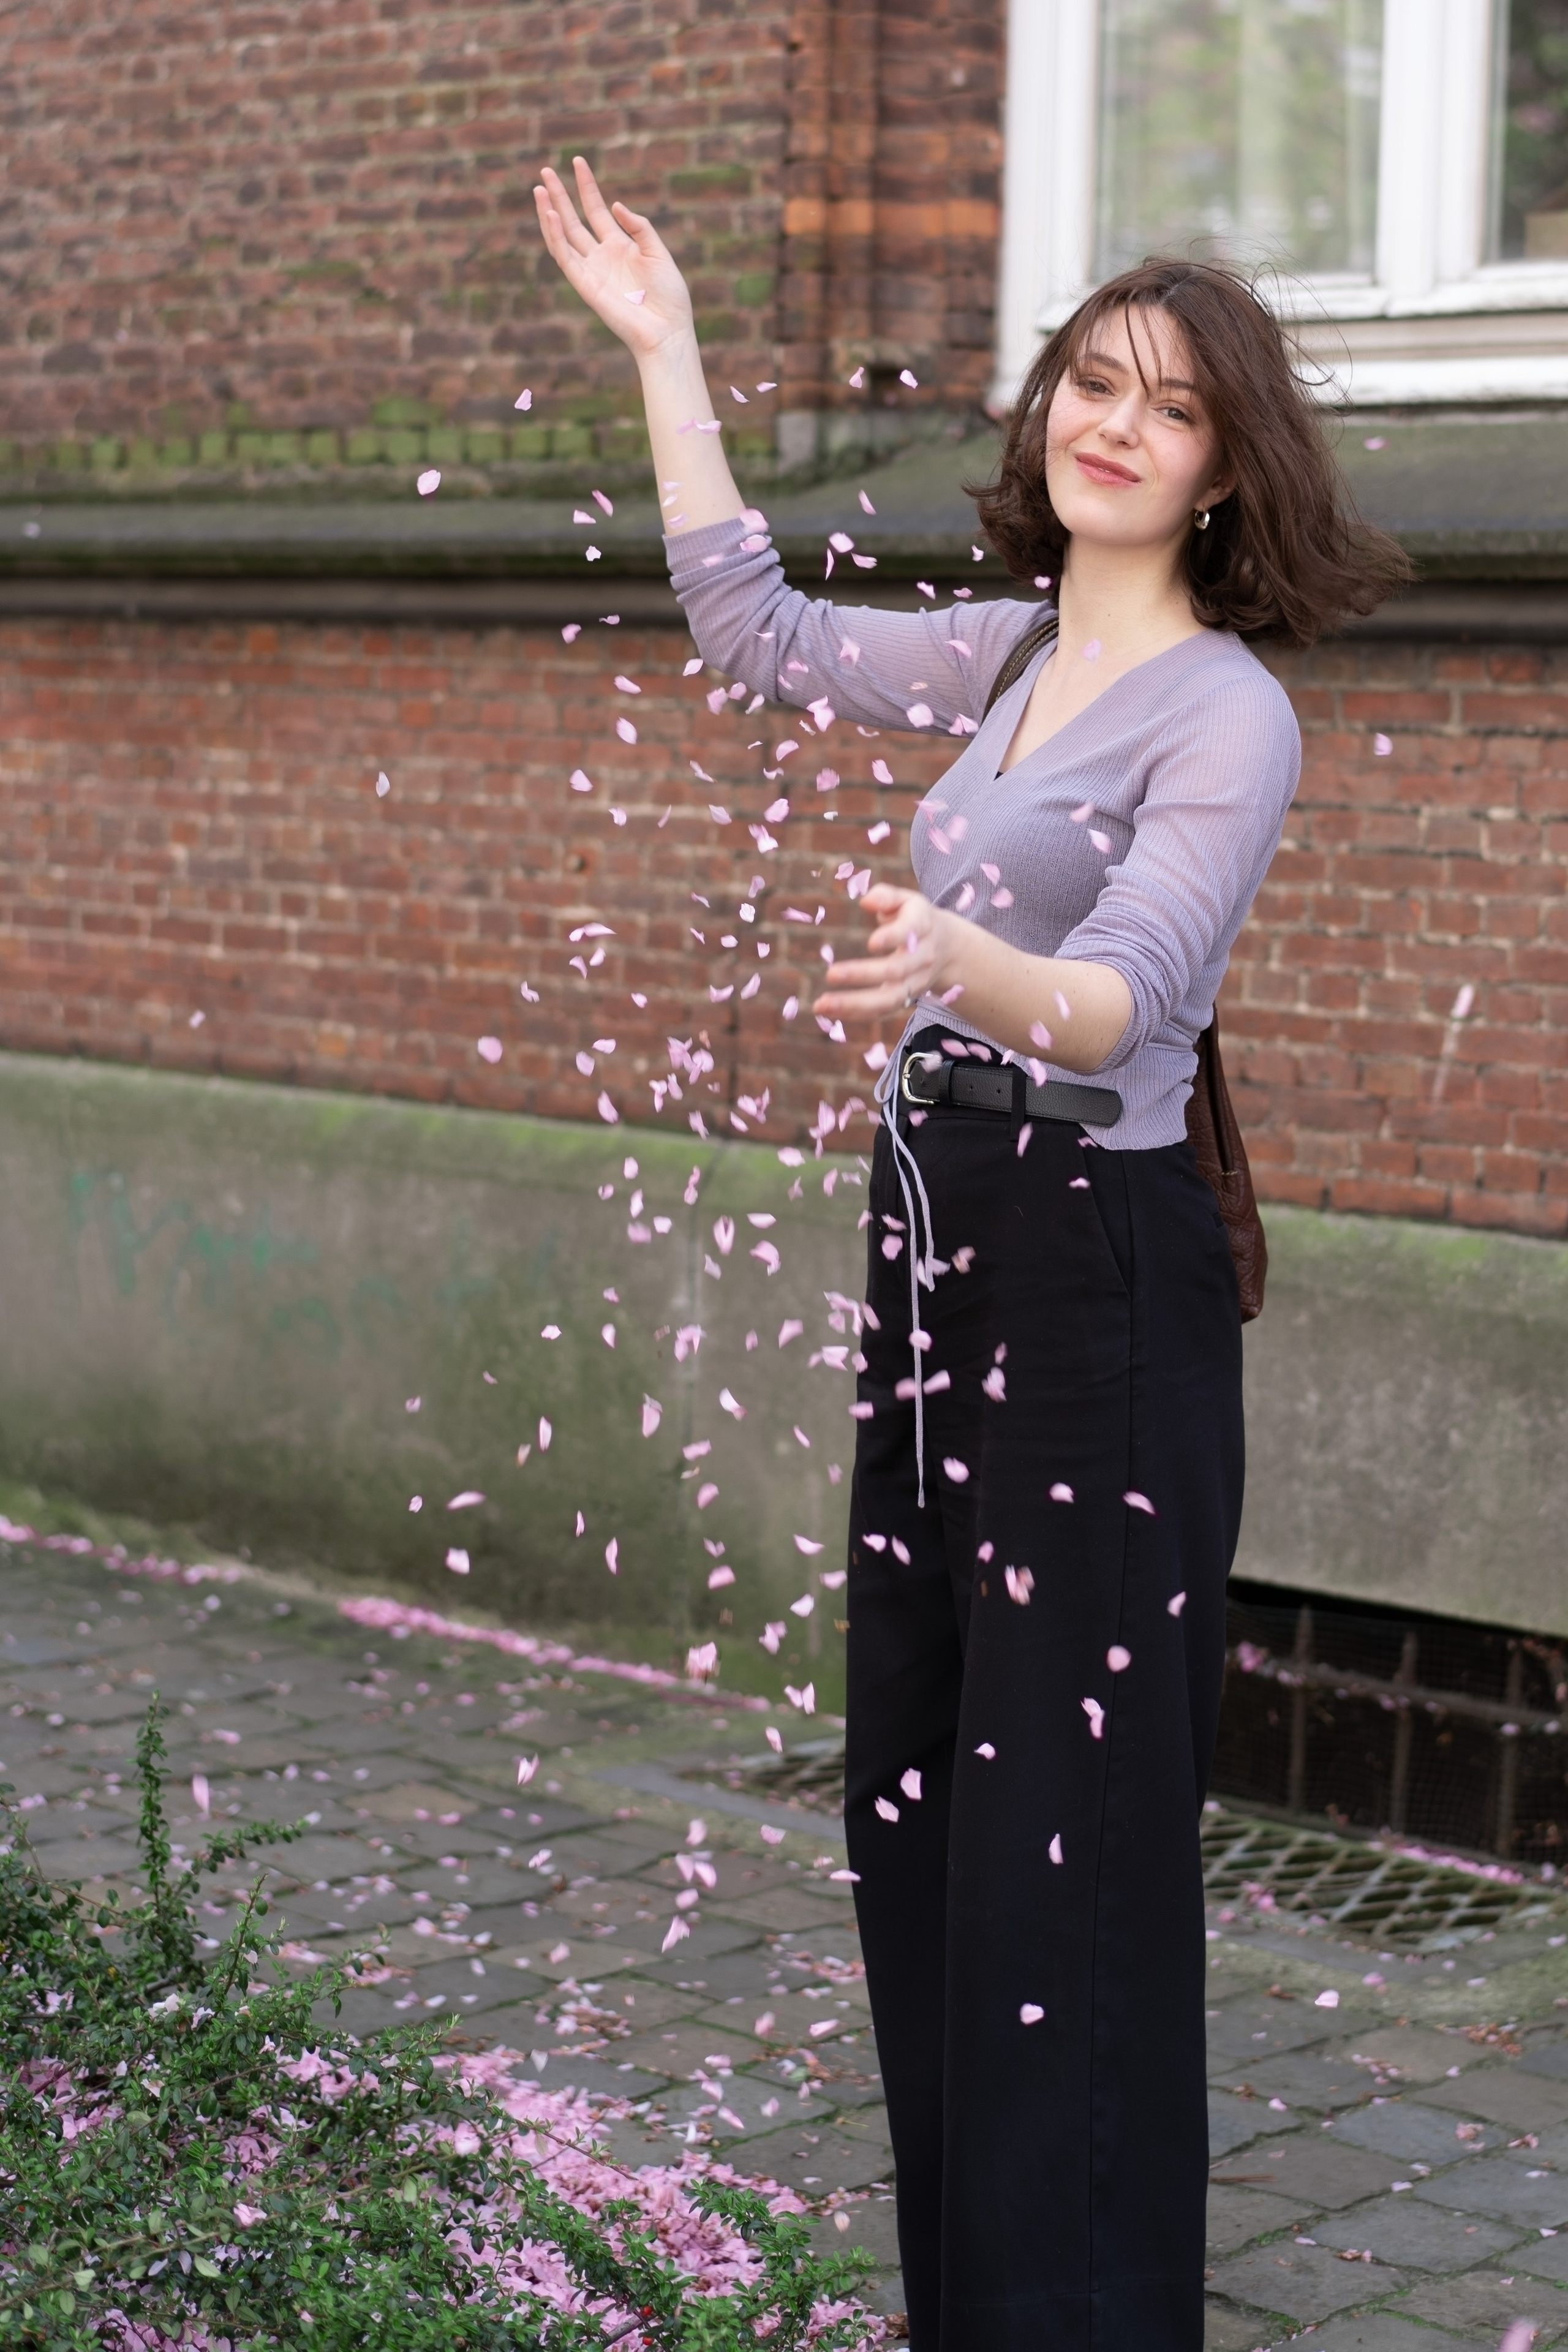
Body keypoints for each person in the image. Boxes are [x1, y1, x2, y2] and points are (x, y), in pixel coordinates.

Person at [533, 157, 1408, 2351]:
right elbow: (754, 635)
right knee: (921, 1789)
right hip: (942, 1244)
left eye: (1171, 405)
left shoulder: (1226, 713)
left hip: (1102, 1266)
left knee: (1066, 1840)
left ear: (1226, 471)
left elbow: (1125, 997)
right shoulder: (1012, 651)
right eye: (1092, 383)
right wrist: (669, 364)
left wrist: (952, 957)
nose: (1116, 422)